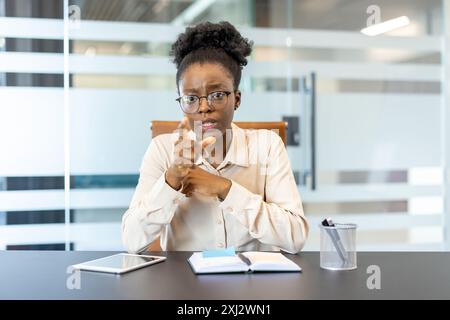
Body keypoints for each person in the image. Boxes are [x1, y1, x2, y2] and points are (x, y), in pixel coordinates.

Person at [122, 21, 308, 253]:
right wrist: (171, 179)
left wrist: (224, 188)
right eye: (191, 98)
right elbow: (132, 240)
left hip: (251, 282)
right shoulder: (162, 150)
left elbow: (295, 237)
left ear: (237, 99)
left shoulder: (267, 146)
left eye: (217, 95)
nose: (204, 108)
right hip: (185, 283)